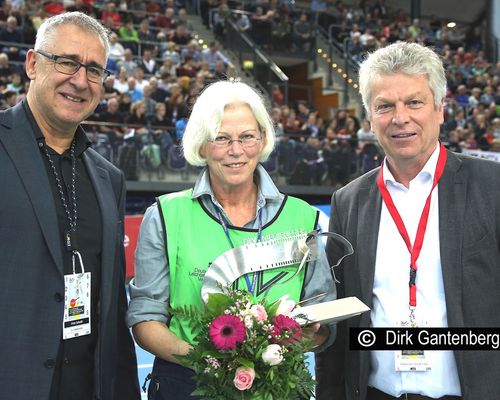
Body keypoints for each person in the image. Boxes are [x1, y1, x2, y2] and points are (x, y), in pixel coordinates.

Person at [127, 80, 337, 399]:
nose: (236, 150)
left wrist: (278, 349)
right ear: (201, 145)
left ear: (263, 139)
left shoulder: (303, 217)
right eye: (221, 138)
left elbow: (323, 319)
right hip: (187, 386)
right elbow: (145, 319)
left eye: (247, 137)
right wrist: (211, 363)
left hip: (278, 387)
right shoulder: (166, 215)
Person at [315, 41, 500, 400]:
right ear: (370, 117)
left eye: (414, 102)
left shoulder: (493, 188)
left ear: (440, 109)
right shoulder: (348, 201)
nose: (400, 118)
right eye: (385, 106)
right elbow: (337, 321)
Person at [0, 12, 140, 400]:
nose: (79, 80)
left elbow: (113, 310)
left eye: (94, 70)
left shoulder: (109, 178)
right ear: (32, 63)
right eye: (66, 62)